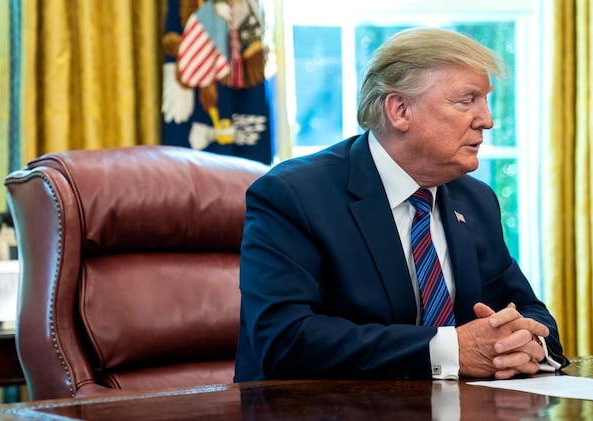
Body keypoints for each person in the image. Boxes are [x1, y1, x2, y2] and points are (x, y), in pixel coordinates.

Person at [234, 27, 569, 382]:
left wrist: (526, 343)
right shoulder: (294, 196)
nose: (487, 119)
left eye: (485, 100)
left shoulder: (476, 201)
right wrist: (450, 350)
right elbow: (284, 340)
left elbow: (529, 311)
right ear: (399, 110)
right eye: (467, 100)